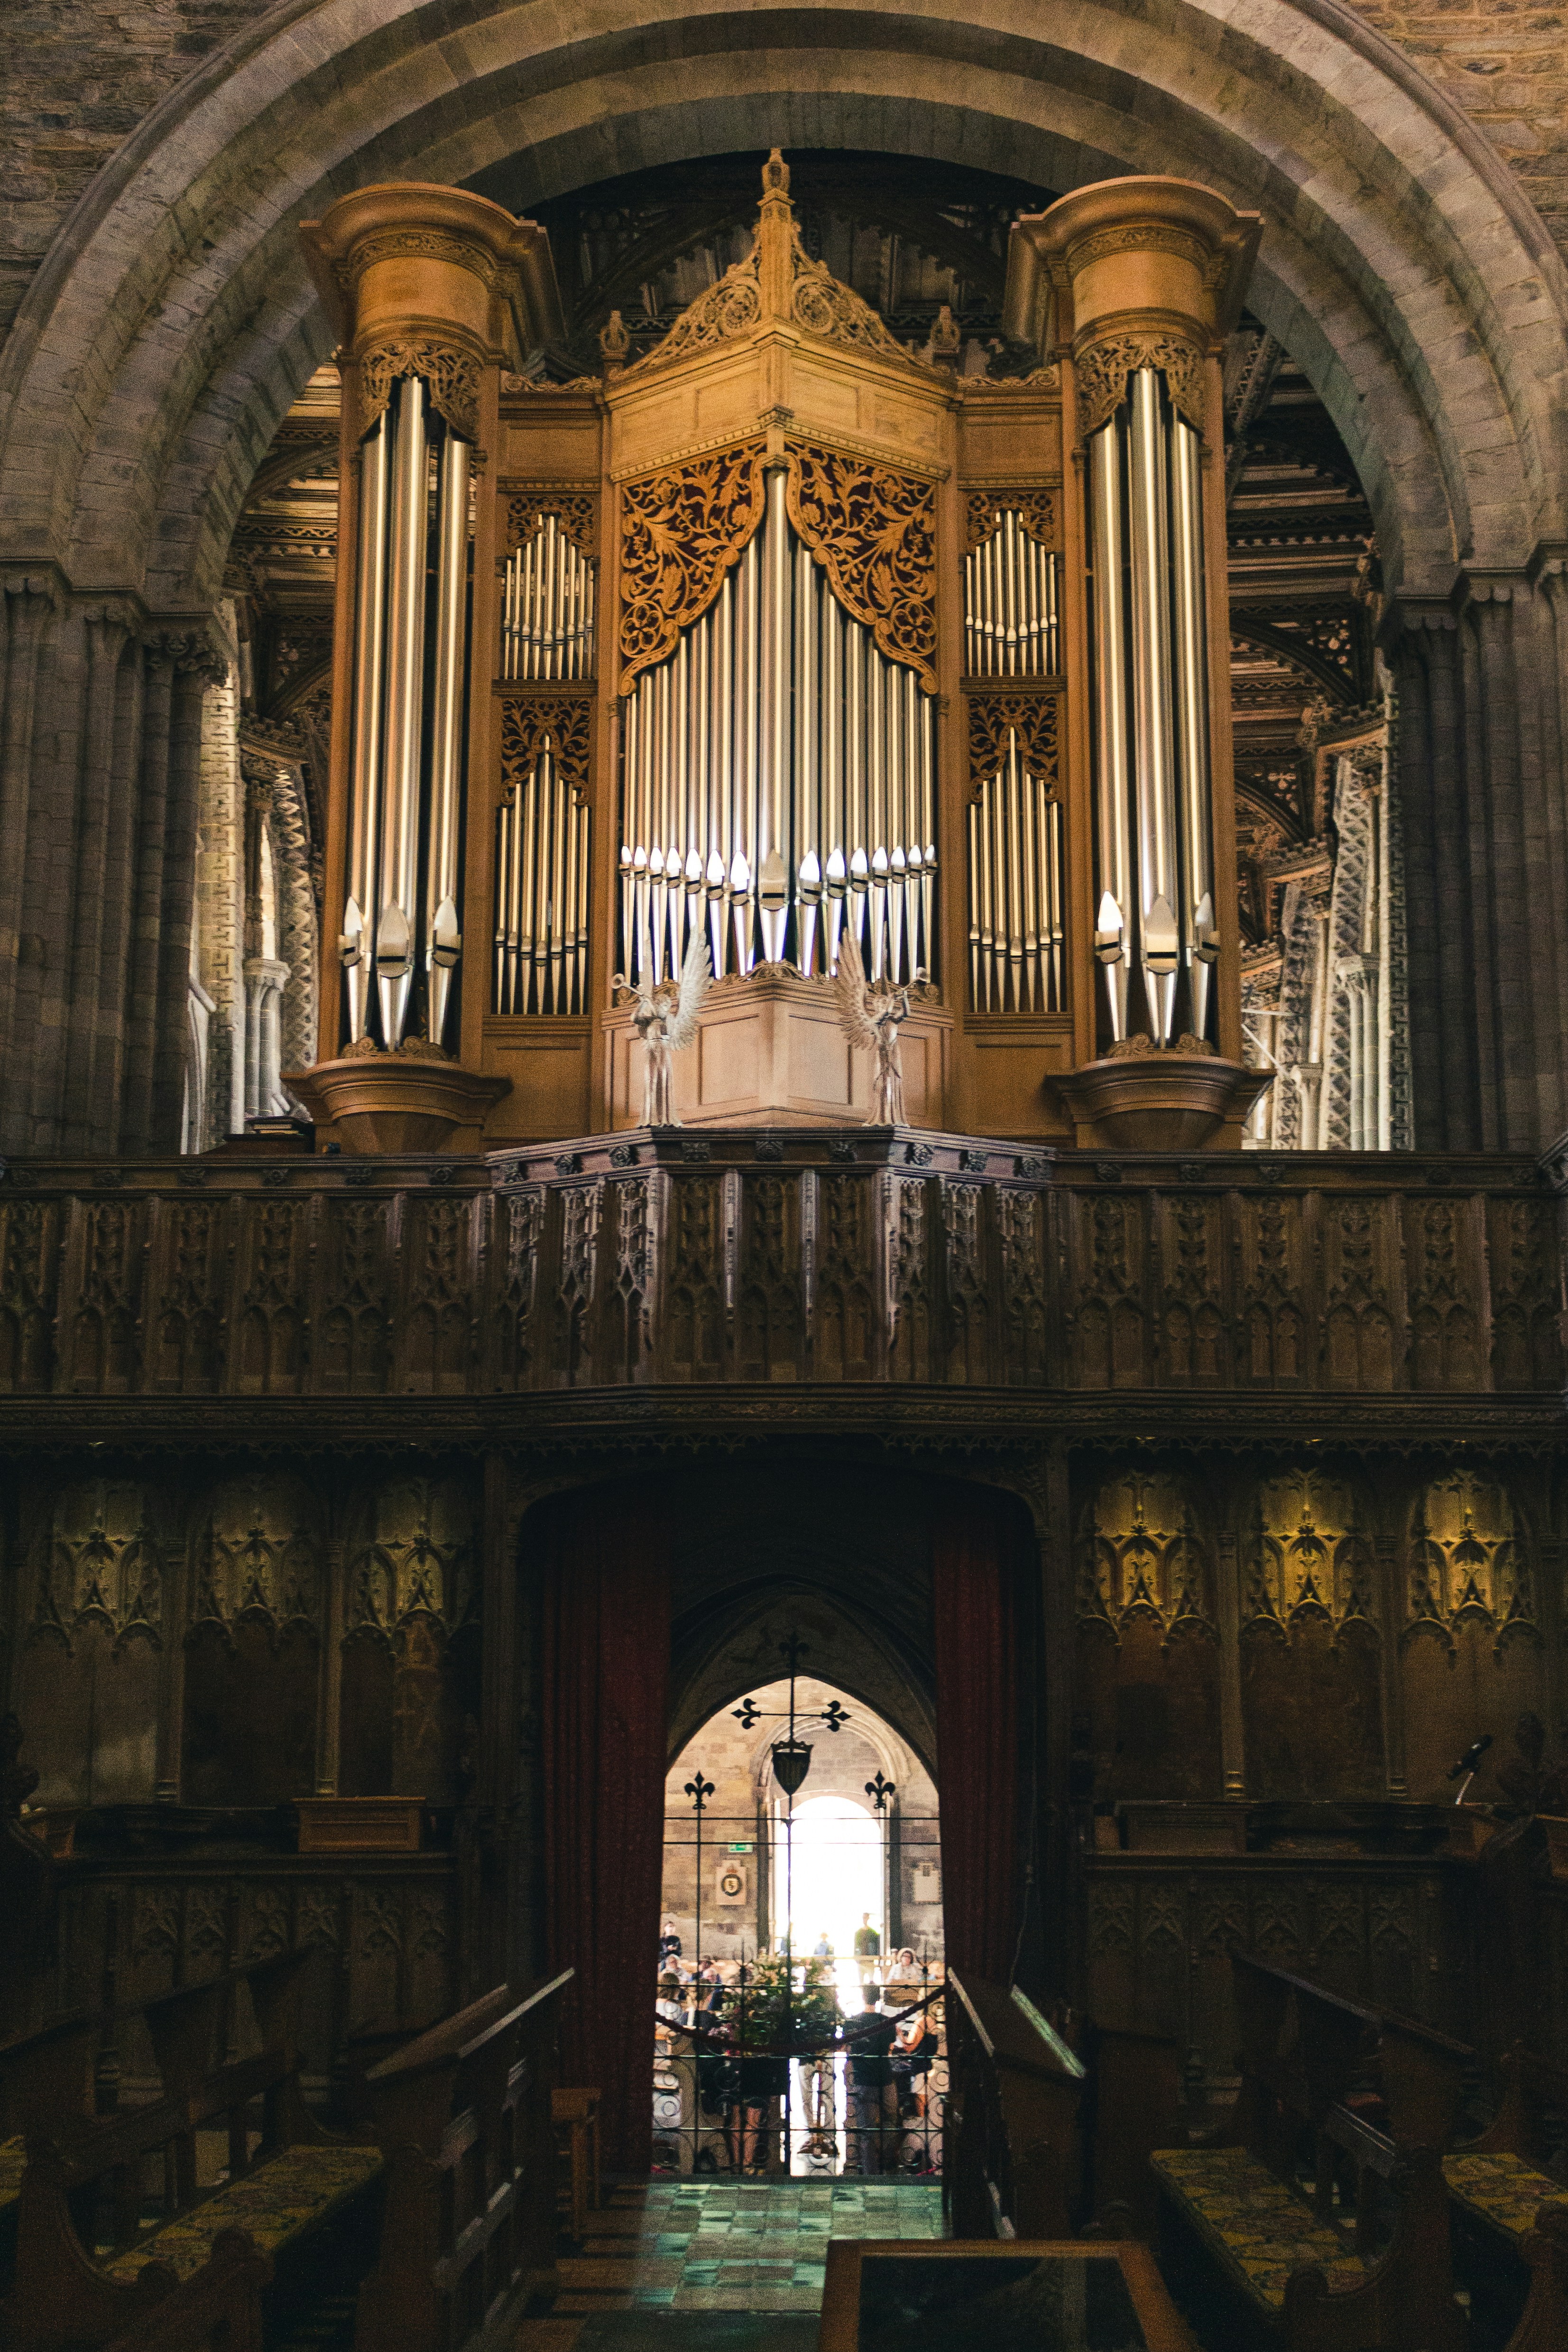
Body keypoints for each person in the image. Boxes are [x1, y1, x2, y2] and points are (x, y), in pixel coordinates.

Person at [841, 1983, 898, 2174]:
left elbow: (846, 2048)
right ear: (879, 1999)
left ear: (863, 1998)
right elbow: (891, 2046)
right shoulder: (887, 2022)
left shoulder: (853, 2023)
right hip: (885, 2077)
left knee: (866, 2133)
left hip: (863, 2078)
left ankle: (870, 2173)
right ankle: (888, 2165)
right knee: (891, 2121)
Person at [852, 1913, 881, 1983]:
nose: (865, 1920)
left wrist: (877, 1959)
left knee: (871, 1980)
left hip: (870, 1961)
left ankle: (869, 1993)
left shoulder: (873, 1933)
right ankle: (863, 1993)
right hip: (861, 1961)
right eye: (864, 1918)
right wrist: (856, 1957)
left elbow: (877, 1947)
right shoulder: (858, 1933)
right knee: (861, 1982)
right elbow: (856, 1946)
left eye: (866, 1918)